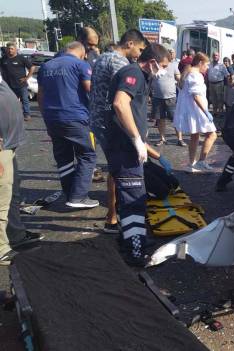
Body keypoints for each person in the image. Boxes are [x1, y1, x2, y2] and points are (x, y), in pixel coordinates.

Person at [106, 43, 171, 266]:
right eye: (162, 66)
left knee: (130, 199)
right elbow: (120, 103)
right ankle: (136, 252)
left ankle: (131, 240)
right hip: (125, 148)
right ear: (152, 61)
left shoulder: (140, 75)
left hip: (125, 147)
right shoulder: (134, 73)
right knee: (134, 200)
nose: (163, 71)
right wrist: (136, 139)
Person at [89, 29, 147, 234]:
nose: (140, 54)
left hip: (97, 119)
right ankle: (117, 217)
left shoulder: (102, 57)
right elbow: (121, 102)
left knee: (115, 170)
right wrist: (136, 136)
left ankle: (113, 215)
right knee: (121, 171)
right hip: (111, 123)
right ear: (130, 43)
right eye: (139, 49)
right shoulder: (121, 64)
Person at [37, 42, 99, 209]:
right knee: (87, 155)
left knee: (63, 157)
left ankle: (70, 192)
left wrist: (46, 118)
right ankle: (78, 196)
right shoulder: (80, 64)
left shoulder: (46, 66)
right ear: (81, 52)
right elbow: (90, 89)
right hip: (76, 117)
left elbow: (40, 96)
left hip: (52, 118)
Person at [0, 75, 42, 265]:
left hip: (8, 146)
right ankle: (1, 249)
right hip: (2, 150)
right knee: (2, 197)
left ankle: (14, 235)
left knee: (12, 193)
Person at [174, 53, 217, 173]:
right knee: (212, 135)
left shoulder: (189, 73)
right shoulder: (195, 75)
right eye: (206, 65)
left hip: (193, 109)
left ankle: (191, 164)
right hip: (197, 110)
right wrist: (206, 112)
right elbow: (196, 96)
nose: (207, 67)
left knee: (195, 136)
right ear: (200, 63)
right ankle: (201, 161)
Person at [152, 48, 183, 146]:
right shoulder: (155, 65)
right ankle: (162, 138)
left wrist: (182, 81)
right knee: (160, 119)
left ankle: (180, 139)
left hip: (171, 97)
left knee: (175, 118)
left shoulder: (173, 66)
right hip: (157, 96)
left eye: (171, 53)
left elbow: (179, 78)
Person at [0, 43, 35, 121]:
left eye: (12, 49)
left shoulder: (21, 58)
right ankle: (12, 115)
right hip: (8, 85)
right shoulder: (3, 59)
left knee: (25, 100)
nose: (10, 50)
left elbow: (32, 67)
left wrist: (26, 78)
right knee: (10, 101)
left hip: (21, 84)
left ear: (16, 49)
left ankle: (27, 115)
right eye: (8, 49)